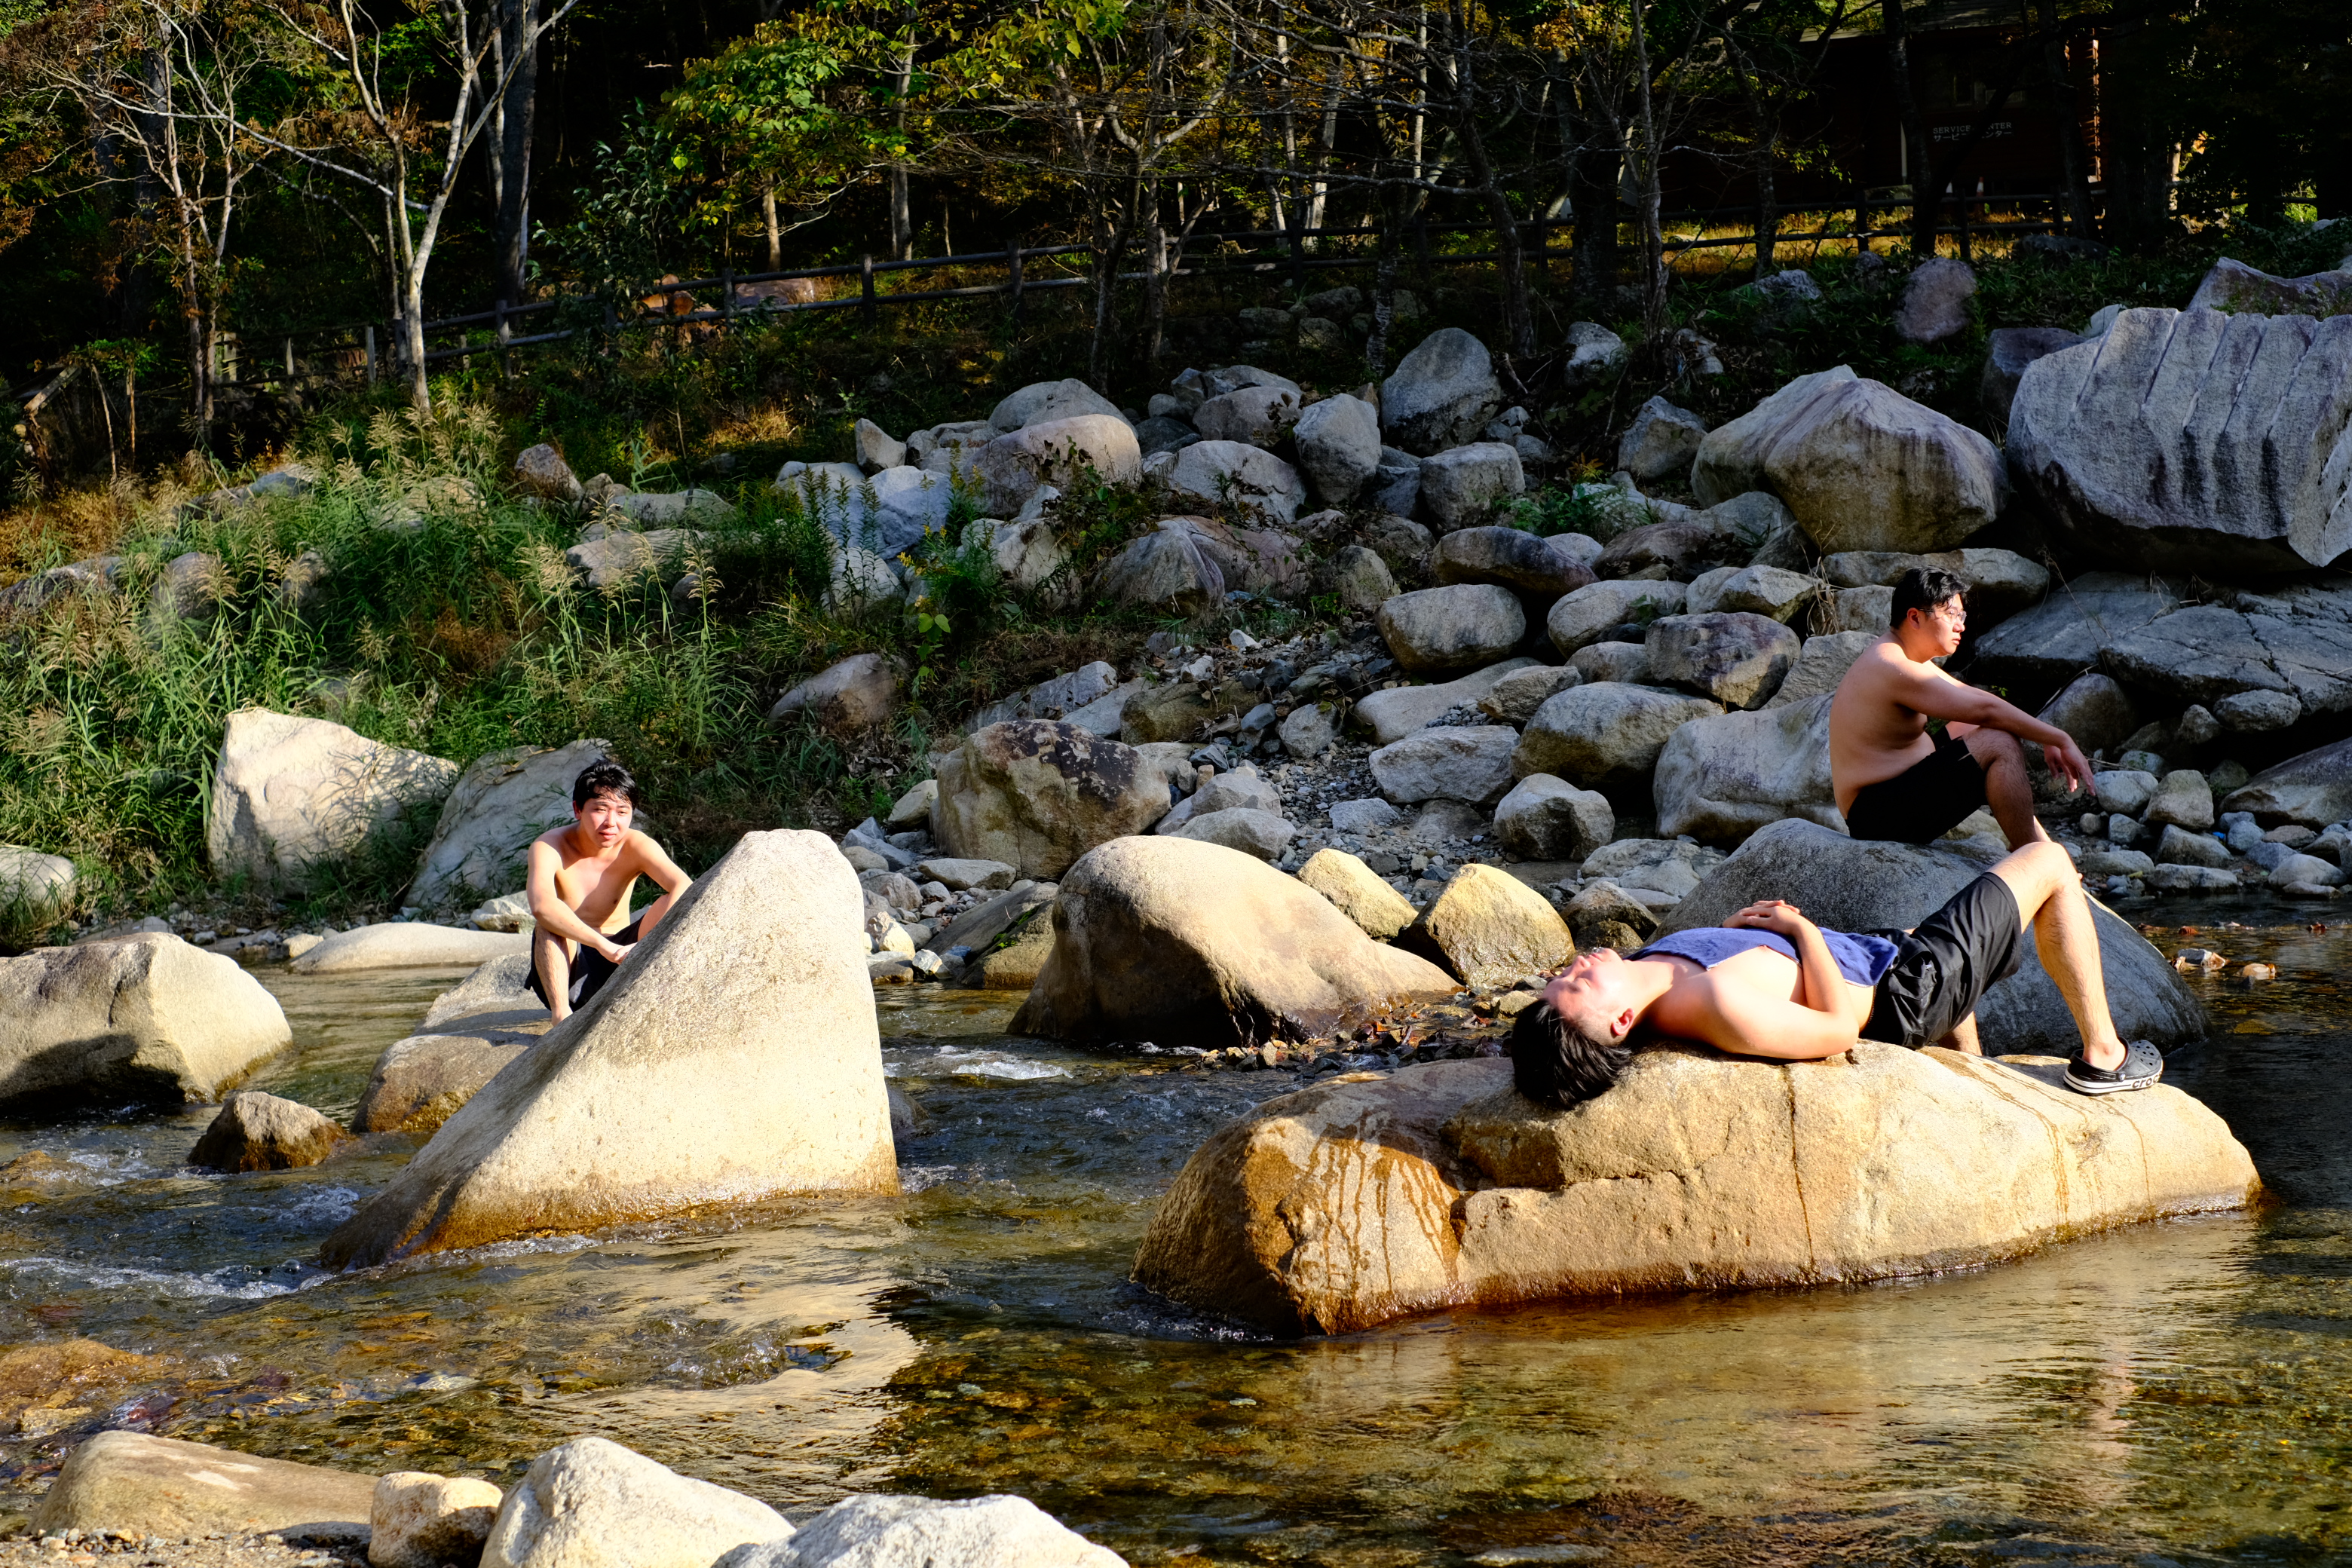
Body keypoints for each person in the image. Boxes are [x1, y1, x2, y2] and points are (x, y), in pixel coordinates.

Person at [1509, 838, 2164, 1107]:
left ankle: (1979, 1075)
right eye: (1578, 985)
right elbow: (1835, 1029)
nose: (1579, 963)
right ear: (1622, 1024)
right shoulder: (1709, 1003)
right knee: (2048, 861)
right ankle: (2105, 1057)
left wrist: (1738, 937)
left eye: (1563, 975)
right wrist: (1801, 931)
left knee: (1950, 938)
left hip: (1884, 957)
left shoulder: (1656, 971)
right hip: (1907, 993)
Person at [1830, 565, 2096, 848]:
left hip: (1894, 793)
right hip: (1876, 815)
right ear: (1914, 617)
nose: (1961, 625)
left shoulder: (1900, 655)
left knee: (1984, 727)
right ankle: (2036, 857)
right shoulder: (1892, 665)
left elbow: (1978, 704)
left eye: (1961, 615)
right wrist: (2059, 738)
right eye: (1952, 615)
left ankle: (2041, 847)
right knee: (1998, 742)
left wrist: (2042, 734)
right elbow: (1987, 710)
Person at [525, 758, 692, 1021]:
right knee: (547, 924)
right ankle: (561, 1017)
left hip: (625, 960)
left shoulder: (635, 844)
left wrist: (639, 947)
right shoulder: (550, 845)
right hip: (571, 967)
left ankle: (650, 992)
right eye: (601, 810)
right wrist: (602, 945)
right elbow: (541, 904)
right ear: (577, 810)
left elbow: (684, 885)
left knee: (670, 900)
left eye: (622, 812)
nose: (611, 822)